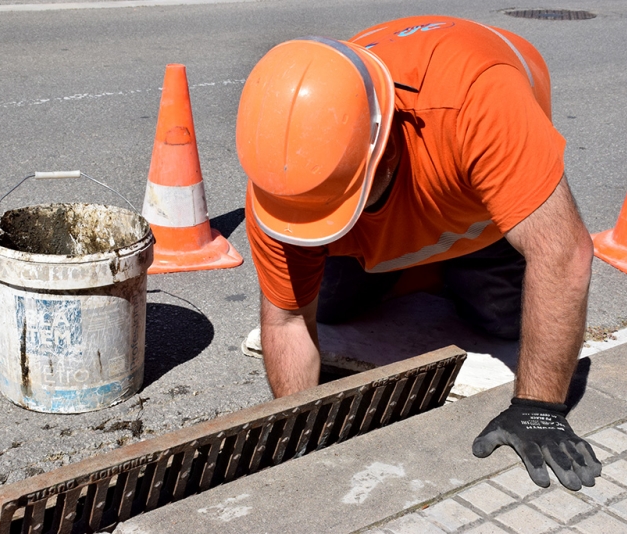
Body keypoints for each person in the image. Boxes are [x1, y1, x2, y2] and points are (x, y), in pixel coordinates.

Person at [236, 15, 601, 491]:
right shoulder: (291, 168)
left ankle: (451, 268)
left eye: (339, 204)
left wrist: (538, 408)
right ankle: (417, 272)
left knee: (505, 322)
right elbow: (286, 320)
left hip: (476, 218)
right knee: (327, 307)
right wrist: (300, 433)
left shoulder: (478, 99)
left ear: (385, 148)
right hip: (405, 200)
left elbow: (563, 255)